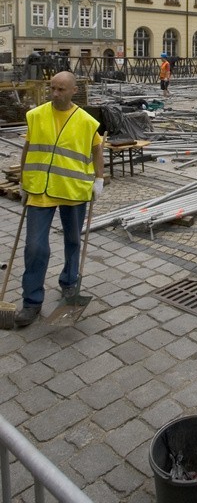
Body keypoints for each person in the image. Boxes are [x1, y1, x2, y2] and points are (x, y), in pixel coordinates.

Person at [15, 71, 104, 327]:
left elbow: (97, 149)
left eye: (61, 89)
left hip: (73, 189)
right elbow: (28, 148)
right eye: (52, 88)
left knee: (73, 240)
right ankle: (31, 302)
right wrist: (23, 180)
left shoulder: (86, 121)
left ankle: (69, 282)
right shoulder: (36, 115)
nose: (55, 93)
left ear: (74, 90)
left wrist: (98, 179)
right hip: (40, 189)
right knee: (35, 246)